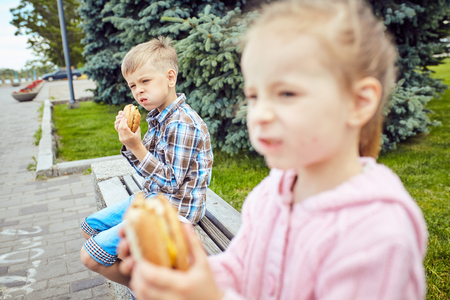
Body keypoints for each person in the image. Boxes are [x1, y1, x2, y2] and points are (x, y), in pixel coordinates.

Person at [118, 0, 429, 299]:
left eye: (286, 92)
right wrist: (188, 276)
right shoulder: (270, 195)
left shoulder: (376, 234)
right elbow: (242, 269)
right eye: (254, 96)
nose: (261, 114)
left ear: (359, 102)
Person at [79, 36, 214, 287]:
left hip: (175, 209)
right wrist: (131, 141)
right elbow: (147, 168)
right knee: (89, 227)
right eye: (132, 85)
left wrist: (136, 146)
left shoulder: (183, 123)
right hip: (153, 196)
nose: (138, 90)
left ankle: (142, 289)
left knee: (90, 255)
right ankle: (146, 282)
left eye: (145, 81)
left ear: (170, 77)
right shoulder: (157, 117)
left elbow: (172, 182)